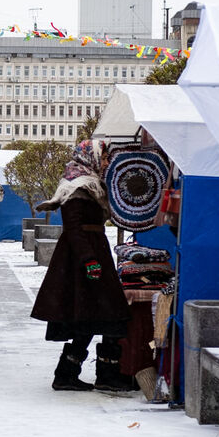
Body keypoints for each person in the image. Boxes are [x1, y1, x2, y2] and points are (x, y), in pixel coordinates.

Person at [30, 140, 131, 392]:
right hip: (83, 261)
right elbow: (74, 229)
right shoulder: (76, 187)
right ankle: (79, 374)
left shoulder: (92, 183)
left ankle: (81, 374)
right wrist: (89, 261)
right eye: (105, 157)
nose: (107, 162)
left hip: (95, 255)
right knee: (100, 315)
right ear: (92, 157)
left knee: (99, 316)